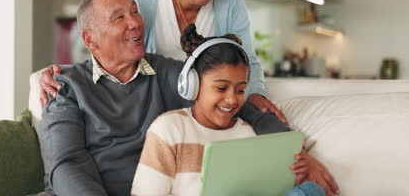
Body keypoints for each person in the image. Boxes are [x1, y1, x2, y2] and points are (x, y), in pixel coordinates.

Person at [36, 0, 338, 196]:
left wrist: (294, 153)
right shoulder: (65, 86)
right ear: (90, 40)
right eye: (119, 18)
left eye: (135, 12)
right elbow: (67, 164)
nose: (136, 23)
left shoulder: (166, 71)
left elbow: (233, 103)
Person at [38, 0, 287, 124]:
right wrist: (63, 75)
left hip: (213, 109)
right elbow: (112, 55)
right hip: (159, 112)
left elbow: (245, 57)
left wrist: (255, 94)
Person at [131, 25, 326, 196]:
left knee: (310, 191)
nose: (232, 99)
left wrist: (295, 173)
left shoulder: (247, 133)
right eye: (221, 88)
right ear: (193, 85)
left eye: (241, 90)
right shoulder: (168, 129)